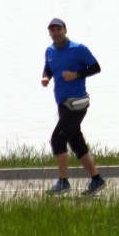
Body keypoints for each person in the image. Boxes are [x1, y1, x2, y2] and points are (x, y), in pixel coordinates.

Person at [41, 18, 107, 195]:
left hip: (77, 103)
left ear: (65, 30)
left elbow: (96, 67)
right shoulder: (50, 51)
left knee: (57, 139)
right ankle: (97, 179)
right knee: (75, 142)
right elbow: (48, 67)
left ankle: (63, 182)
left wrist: (76, 74)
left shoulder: (79, 49)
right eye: (52, 31)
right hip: (62, 103)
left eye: (58, 30)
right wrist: (46, 77)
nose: (55, 33)